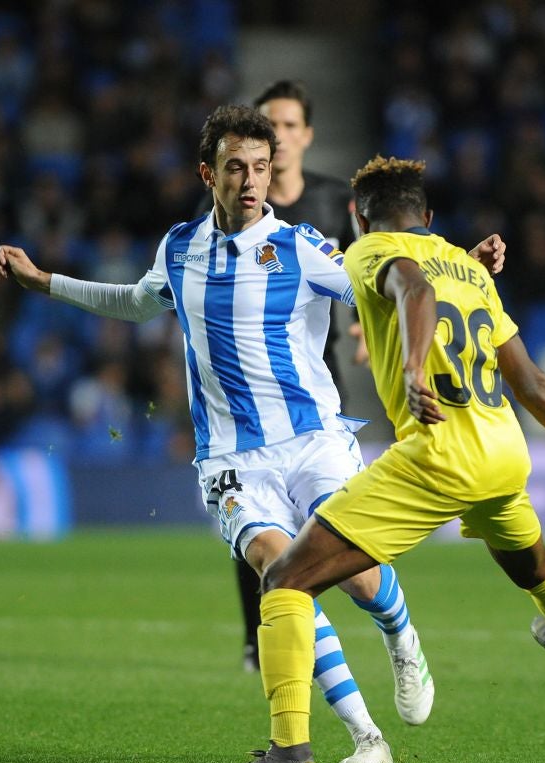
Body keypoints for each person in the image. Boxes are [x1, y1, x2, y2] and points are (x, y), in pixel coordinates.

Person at [0, 106, 501, 763]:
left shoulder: (301, 247)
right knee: (280, 573)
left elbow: (388, 280)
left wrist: (460, 262)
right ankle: (363, 734)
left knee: (355, 579)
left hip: (314, 439)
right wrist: (45, 283)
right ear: (210, 174)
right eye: (236, 167)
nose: (251, 181)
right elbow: (137, 301)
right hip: (232, 456)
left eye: (261, 168)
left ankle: (401, 636)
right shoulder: (179, 248)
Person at [206, 156, 545, 763]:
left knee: (286, 580)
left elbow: (413, 289)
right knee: (531, 567)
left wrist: (414, 368)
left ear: (357, 217)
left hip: (436, 455)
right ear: (429, 217)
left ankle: (290, 753)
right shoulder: (469, 270)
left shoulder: (370, 252)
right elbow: (529, 380)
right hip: (502, 452)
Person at [216, 80, 357, 670]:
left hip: (318, 380)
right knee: (252, 505)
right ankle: (260, 632)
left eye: (290, 125)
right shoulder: (240, 207)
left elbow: (363, 270)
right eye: (270, 124)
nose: (281, 135)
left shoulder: (333, 201)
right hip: (250, 391)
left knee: (329, 513)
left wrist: (367, 333)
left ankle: (307, 613)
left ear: (306, 136)